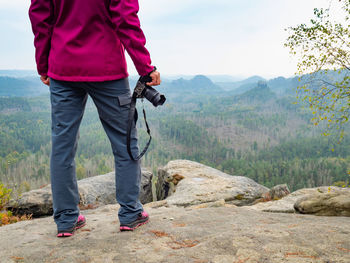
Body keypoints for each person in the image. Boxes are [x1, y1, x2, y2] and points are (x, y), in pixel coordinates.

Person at [29, 0, 160, 237]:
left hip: (63, 68)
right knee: (125, 142)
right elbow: (125, 18)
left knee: (62, 145)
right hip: (107, 68)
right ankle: (131, 213)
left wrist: (43, 63)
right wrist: (145, 65)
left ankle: (67, 219)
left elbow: (41, 18)